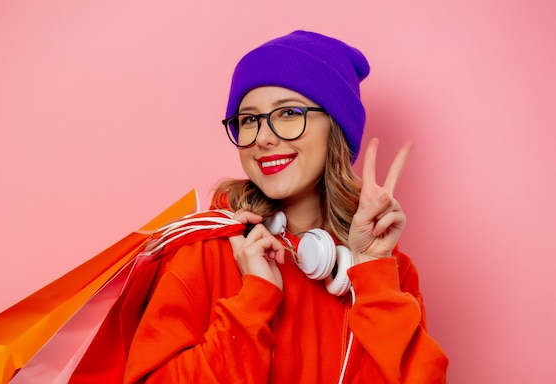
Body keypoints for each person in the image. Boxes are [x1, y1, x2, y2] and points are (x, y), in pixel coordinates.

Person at [105, 30, 448, 383]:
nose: (264, 137)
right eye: (249, 119)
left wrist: (375, 279)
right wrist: (253, 301)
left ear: (336, 128)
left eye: (288, 113)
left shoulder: (387, 268)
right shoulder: (205, 252)